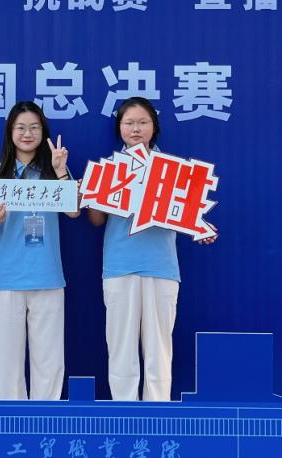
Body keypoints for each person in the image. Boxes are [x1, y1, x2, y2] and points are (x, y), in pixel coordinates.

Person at [87, 96, 216, 401]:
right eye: (129, 122)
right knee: (121, 347)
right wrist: (89, 195)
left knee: (159, 348)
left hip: (161, 267)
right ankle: (124, 412)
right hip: (119, 266)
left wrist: (201, 228)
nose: (136, 129)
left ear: (154, 127)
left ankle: (157, 413)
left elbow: (188, 215)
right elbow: (96, 220)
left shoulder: (174, 171)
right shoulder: (109, 168)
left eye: (143, 122)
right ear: (119, 128)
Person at [0, 101, 79, 400]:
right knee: (6, 363)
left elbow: (74, 212)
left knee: (49, 361)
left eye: (34, 127)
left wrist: (60, 171)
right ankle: (9, 421)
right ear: (10, 132)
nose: (27, 134)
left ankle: (45, 420)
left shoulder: (55, 171)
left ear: (43, 132)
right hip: (6, 278)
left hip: (47, 276)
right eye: (20, 127)